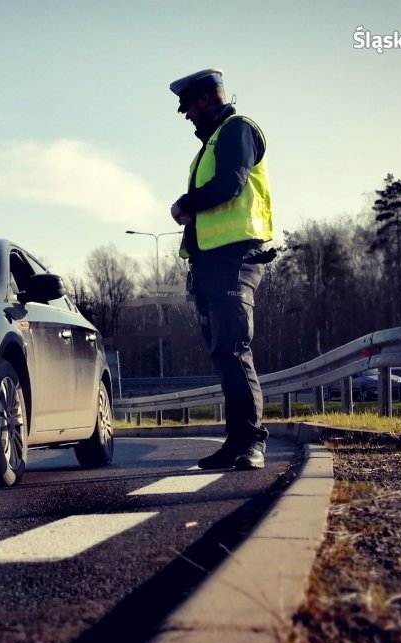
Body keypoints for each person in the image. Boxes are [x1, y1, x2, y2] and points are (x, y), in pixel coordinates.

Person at [168, 68, 275, 470]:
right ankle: (236, 442)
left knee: (233, 347)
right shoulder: (212, 142)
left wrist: (186, 204)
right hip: (212, 262)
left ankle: (251, 442)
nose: (186, 115)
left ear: (206, 99)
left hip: (235, 258)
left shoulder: (236, 129)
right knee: (223, 352)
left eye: (188, 106)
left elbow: (231, 182)